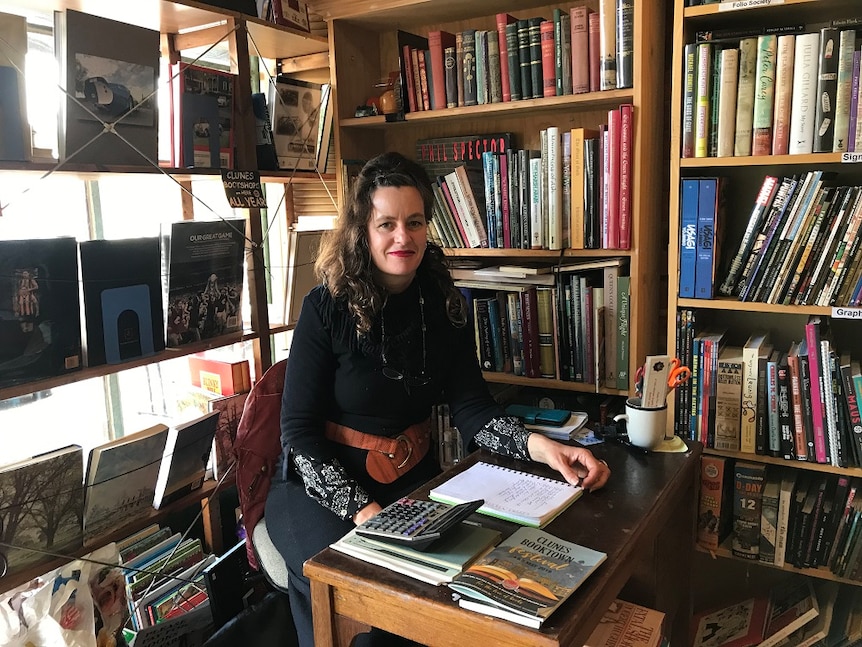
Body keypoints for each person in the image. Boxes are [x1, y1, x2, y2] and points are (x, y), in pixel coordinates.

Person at [265, 152, 611, 647]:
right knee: (367, 612)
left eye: (414, 222)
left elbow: (474, 410)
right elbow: (298, 435)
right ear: (363, 230)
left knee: (440, 611)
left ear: (428, 227)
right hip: (319, 490)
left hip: (413, 482)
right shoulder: (325, 308)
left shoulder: (445, 306)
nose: (402, 237)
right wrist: (367, 514)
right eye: (386, 224)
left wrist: (545, 447)